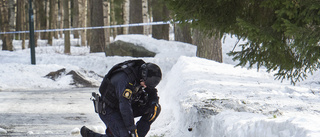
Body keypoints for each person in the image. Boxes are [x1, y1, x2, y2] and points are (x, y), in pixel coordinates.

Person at [81, 59, 162, 137]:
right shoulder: (125, 80)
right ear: (143, 76)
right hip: (109, 109)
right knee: (127, 135)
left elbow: (151, 91)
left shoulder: (142, 75)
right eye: (145, 84)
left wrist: (154, 102)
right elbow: (125, 107)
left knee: (153, 109)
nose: (145, 86)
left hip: (124, 105)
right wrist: (132, 129)